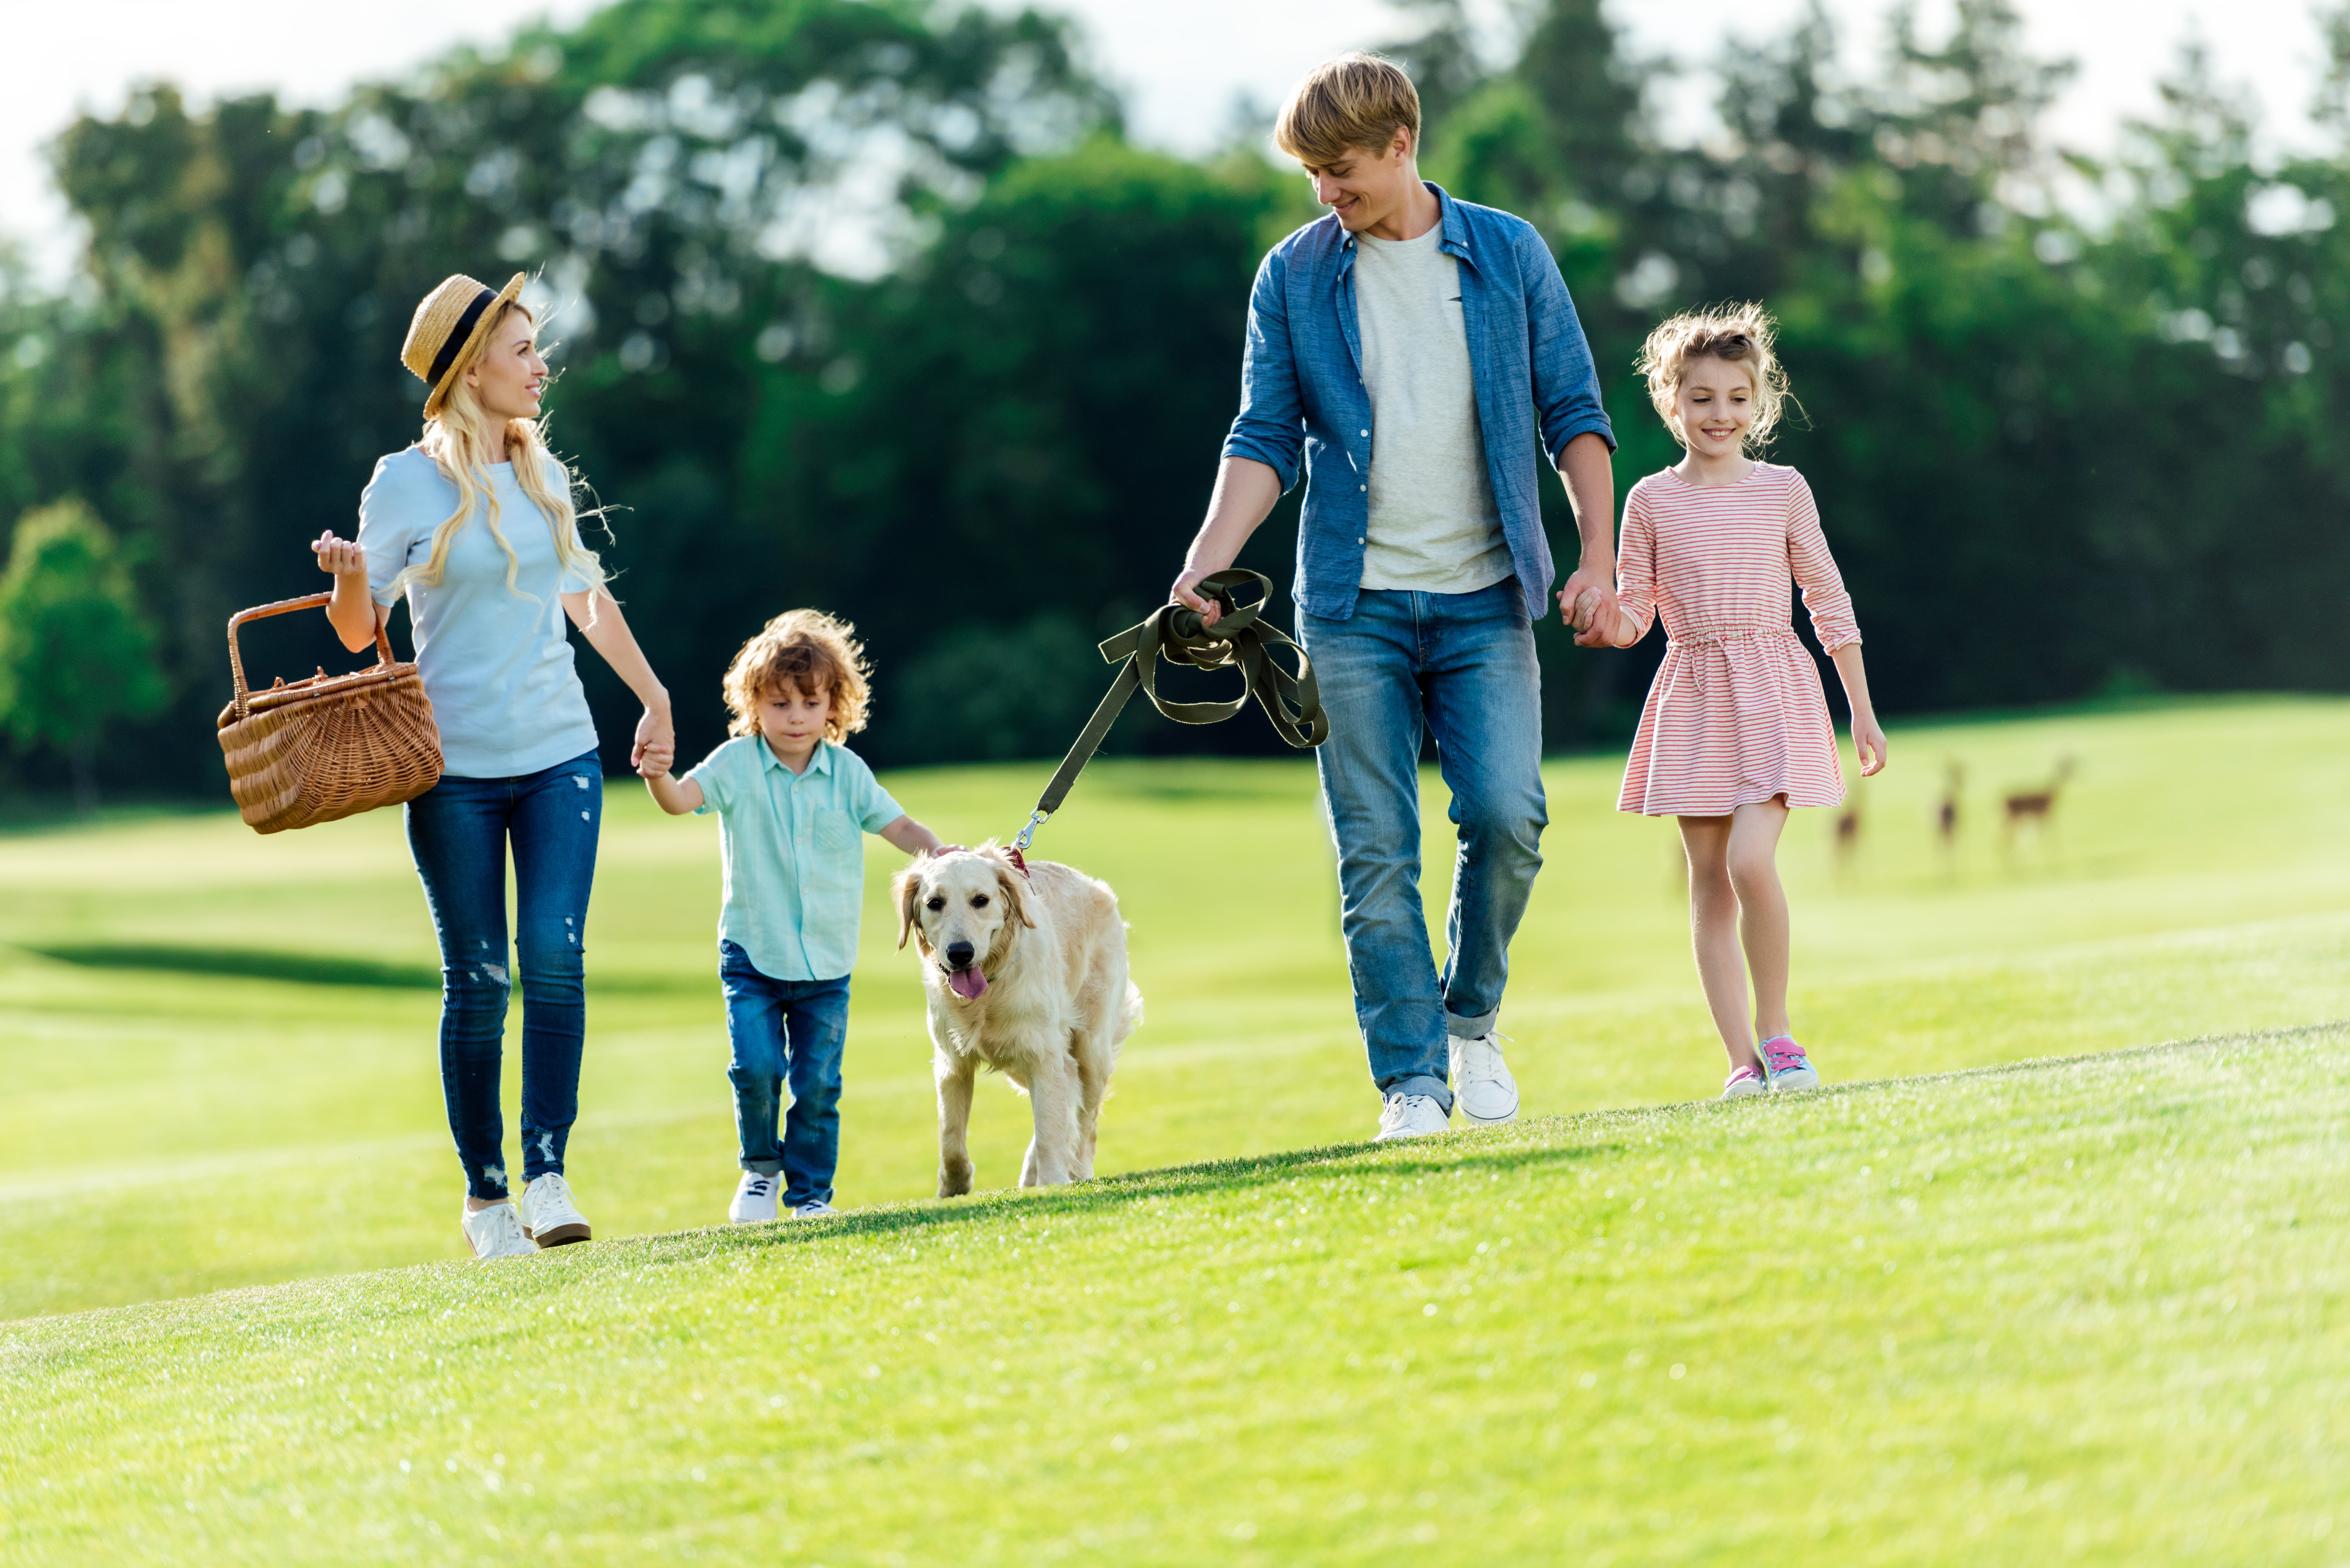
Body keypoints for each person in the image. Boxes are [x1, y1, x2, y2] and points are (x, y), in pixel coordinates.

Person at [1167, 53, 1619, 1141]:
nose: (1327, 191)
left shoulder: (1508, 253)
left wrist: (1597, 558)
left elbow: (1575, 411)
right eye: (1312, 175)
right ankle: (1410, 1080)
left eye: (1343, 168)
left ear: (1402, 143)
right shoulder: (1294, 274)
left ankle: (1471, 1019)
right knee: (1374, 849)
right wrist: (1204, 567)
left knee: (1510, 820)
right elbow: (1265, 436)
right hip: (1352, 604)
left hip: (1484, 597)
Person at [310, 272, 678, 1261]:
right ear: (472, 372)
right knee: (478, 980)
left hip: (559, 754)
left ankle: (548, 1176)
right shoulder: (403, 484)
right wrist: (352, 579)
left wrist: (654, 696)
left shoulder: (542, 475)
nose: (540, 366)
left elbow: (587, 599)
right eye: (522, 351)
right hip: (454, 775)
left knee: (555, 964)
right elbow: (358, 634)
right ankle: (485, 1200)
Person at [1580, 304, 1888, 1097]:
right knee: (1707, 877)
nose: (1720, 414)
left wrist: (1859, 706)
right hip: (1695, 696)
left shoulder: (1783, 489)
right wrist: (1600, 617)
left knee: (1752, 860)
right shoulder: (1647, 499)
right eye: (1702, 397)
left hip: (1777, 691)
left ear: (1760, 403)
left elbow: (1827, 598)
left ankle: (1780, 1035)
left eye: (1737, 397)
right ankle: (1739, 1062)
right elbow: (1636, 614)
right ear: (1670, 402)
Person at [643, 610, 941, 1222]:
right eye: (780, 704)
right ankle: (760, 1171)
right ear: (754, 704)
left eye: (810, 701)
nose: (797, 716)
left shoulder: (848, 774)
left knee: (819, 1087)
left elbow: (901, 826)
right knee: (755, 1070)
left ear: (835, 703)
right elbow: (680, 802)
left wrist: (943, 854)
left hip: (826, 961)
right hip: (753, 952)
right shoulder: (735, 765)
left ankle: (810, 1196)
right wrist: (657, 775)